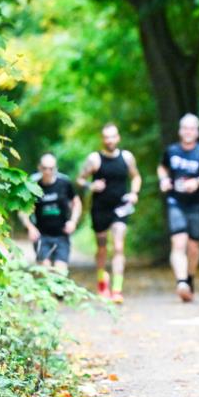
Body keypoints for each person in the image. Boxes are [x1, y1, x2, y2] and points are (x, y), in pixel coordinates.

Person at [157, 113, 199, 302]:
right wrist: (164, 180)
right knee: (178, 242)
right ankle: (181, 282)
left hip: (197, 205)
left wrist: (197, 182)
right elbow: (162, 167)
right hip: (175, 202)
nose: (188, 132)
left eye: (192, 128)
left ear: (197, 132)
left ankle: (190, 278)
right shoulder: (171, 151)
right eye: (185, 128)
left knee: (193, 247)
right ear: (180, 131)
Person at [77, 123, 142, 303]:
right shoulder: (94, 159)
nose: (110, 140)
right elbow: (80, 180)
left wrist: (134, 193)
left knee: (119, 246)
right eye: (106, 137)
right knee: (102, 248)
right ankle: (102, 283)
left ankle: (117, 289)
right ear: (102, 139)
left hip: (120, 208)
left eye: (113, 136)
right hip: (100, 209)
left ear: (118, 138)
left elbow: (136, 176)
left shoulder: (127, 157)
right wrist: (92, 185)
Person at [19, 153, 82, 274]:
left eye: (51, 168)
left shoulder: (64, 183)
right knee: (45, 271)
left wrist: (73, 221)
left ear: (56, 168)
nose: (48, 171)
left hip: (62, 234)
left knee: (60, 272)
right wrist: (30, 227)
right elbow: (22, 210)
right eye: (44, 168)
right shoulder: (32, 186)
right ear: (39, 168)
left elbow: (77, 203)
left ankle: (59, 293)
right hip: (42, 235)